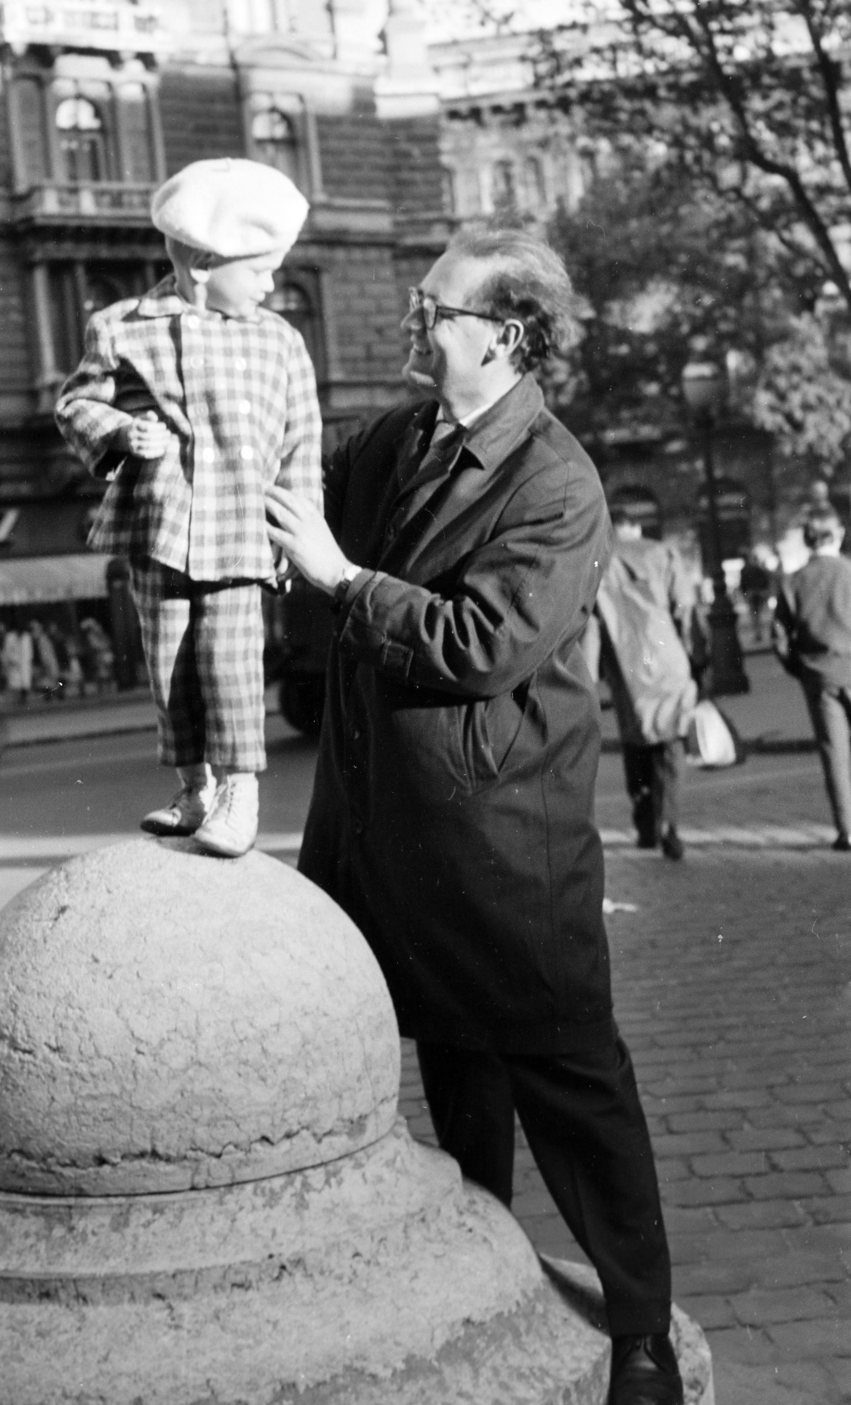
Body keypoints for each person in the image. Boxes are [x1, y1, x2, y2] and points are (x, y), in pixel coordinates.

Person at [265, 225, 683, 1405]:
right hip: (389, 835)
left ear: (502, 335)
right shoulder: (397, 438)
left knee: (571, 1086)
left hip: (504, 847)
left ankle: (639, 1332)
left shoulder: (556, 480)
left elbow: (479, 643)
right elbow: (296, 474)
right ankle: (478, 1280)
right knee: (456, 1081)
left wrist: (345, 584)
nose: (416, 319)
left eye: (435, 308)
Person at [56, 157, 322, 857]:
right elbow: (74, 403)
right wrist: (117, 431)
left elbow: (301, 445)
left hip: (240, 529)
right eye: (259, 270)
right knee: (169, 660)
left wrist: (299, 537)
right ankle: (194, 788)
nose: (270, 286)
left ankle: (242, 794)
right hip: (160, 524)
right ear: (203, 263)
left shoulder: (280, 341)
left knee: (229, 662)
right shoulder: (122, 326)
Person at [596, 501, 698, 862]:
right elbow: (685, 607)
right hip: (666, 657)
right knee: (670, 744)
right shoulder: (661, 552)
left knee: (634, 741)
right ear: (636, 526)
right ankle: (670, 823)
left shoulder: (598, 558)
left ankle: (645, 824)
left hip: (624, 665)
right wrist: (692, 654)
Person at [772, 505, 851, 851]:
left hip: (819, 673)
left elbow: (779, 638)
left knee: (834, 753)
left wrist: (802, 669)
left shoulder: (794, 581)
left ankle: (847, 828)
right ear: (838, 535)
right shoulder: (849, 572)